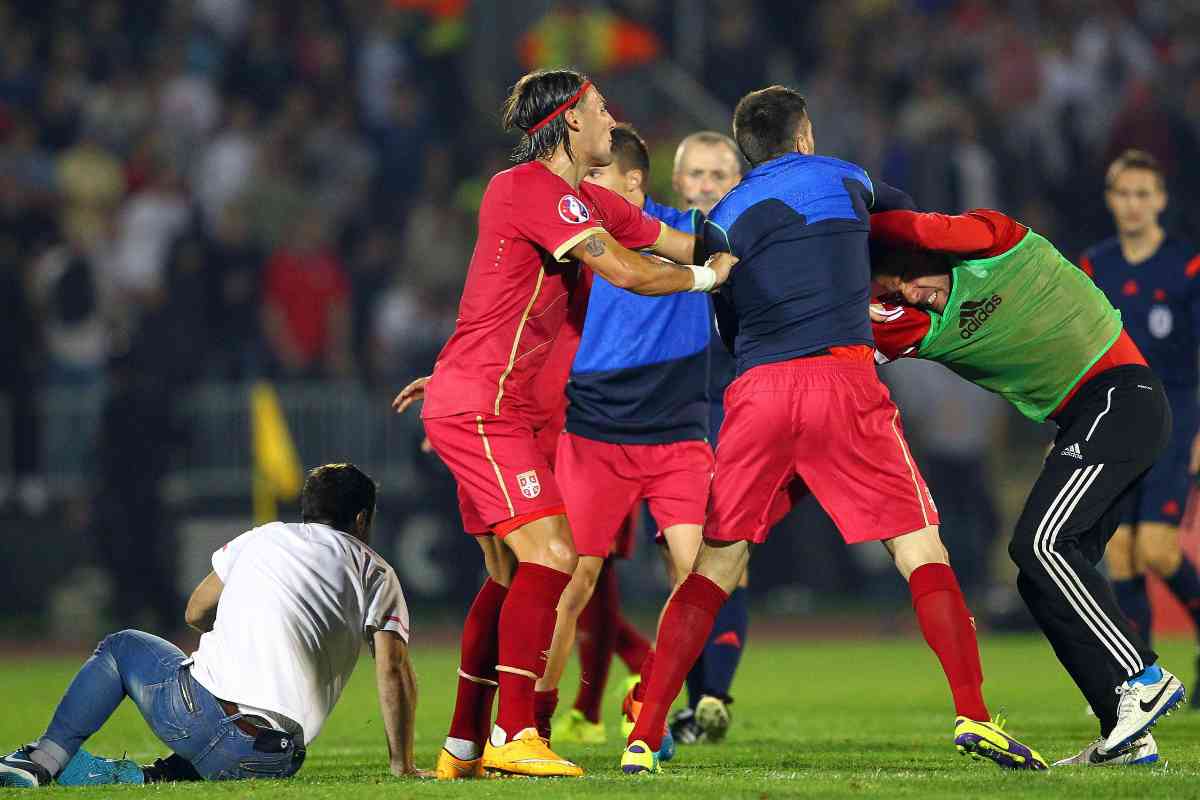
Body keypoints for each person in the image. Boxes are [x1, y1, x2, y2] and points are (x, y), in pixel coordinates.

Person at [620, 85, 1045, 775]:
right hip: (842, 381)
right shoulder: (845, 176)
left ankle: (643, 735)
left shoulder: (724, 216)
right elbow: (908, 221)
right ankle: (973, 714)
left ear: (743, 151)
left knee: (715, 567)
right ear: (806, 134)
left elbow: (726, 323)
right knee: (920, 551)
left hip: (757, 392)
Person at [391, 69, 737, 780]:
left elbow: (675, 241)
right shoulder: (525, 189)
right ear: (572, 119)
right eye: (604, 110)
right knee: (553, 551)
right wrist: (713, 279)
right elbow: (635, 274)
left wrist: (746, 242)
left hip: (499, 402)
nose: (615, 122)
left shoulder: (589, 199)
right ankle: (515, 731)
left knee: (508, 575)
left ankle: (463, 746)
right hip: (486, 406)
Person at [868, 204, 1188, 767]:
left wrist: (849, 208)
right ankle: (1126, 733)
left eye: (912, 280)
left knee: (1039, 544)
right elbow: (845, 328)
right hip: (1091, 416)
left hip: (1122, 395)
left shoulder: (997, 241)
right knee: (1040, 579)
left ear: (935, 257)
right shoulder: (920, 322)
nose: (912, 296)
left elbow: (917, 226)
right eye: (897, 292)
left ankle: (1145, 676)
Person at [0, 464, 423, 788]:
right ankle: (154, 775)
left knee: (122, 646)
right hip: (273, 759)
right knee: (223, 736)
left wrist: (241, 629)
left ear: (307, 509)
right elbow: (391, 669)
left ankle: (43, 761)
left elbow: (195, 612)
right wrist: (402, 767)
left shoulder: (262, 538)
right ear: (362, 519)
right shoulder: (377, 572)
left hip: (195, 717)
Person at [528, 124, 723, 753]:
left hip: (677, 436)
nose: (584, 189)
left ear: (632, 182)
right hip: (596, 437)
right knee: (570, 580)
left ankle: (650, 702)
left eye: (597, 178)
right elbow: (521, 314)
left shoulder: (684, 233)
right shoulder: (578, 240)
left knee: (698, 578)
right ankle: (534, 721)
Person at [1079, 149, 1200, 705]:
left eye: (1143, 194)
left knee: (1157, 550)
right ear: (1110, 200)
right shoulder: (1095, 266)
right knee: (1121, 552)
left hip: (1176, 415)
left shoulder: (1188, 265)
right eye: (1123, 194)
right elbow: (1080, 350)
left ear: (1161, 200)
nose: (1133, 204)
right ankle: (1142, 685)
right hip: (1118, 418)